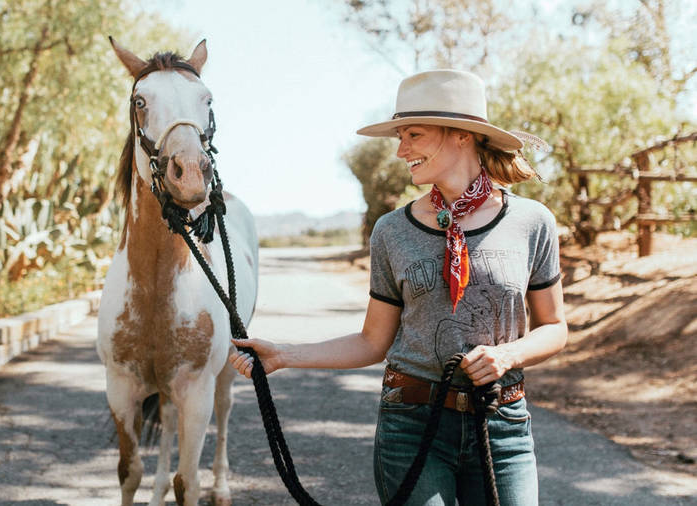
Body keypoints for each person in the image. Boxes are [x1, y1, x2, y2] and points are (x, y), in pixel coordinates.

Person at [229, 69, 567, 506]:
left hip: (502, 424)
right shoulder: (391, 231)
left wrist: (507, 355)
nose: (400, 150)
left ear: (462, 135)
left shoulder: (532, 222)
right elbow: (373, 341)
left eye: (413, 135)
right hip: (411, 422)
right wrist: (284, 356)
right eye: (400, 137)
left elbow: (555, 326)